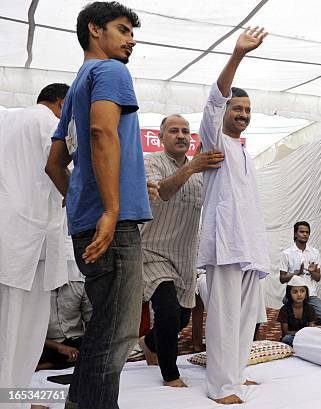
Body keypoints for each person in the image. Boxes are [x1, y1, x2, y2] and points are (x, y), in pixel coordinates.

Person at [45, 3, 152, 408]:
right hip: (114, 224)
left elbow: (55, 165)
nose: (131, 40)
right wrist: (109, 209)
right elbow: (101, 131)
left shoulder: (75, 87)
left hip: (89, 222)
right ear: (95, 30)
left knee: (103, 332)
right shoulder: (111, 71)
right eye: (123, 30)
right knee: (116, 337)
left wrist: (83, 202)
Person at [195, 26, 269, 405]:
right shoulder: (214, 141)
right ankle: (221, 386)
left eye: (248, 111)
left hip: (248, 245)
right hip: (224, 244)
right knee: (223, 320)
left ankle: (236, 375)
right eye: (237, 108)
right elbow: (212, 102)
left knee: (244, 320)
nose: (243, 114)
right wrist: (238, 55)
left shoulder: (243, 152)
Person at [138, 115, 224, 386]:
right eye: (173, 131)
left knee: (183, 317)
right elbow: (162, 192)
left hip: (186, 255)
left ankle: (150, 342)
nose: (181, 135)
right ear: (161, 137)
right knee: (168, 311)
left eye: (186, 131)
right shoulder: (151, 161)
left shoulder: (201, 174)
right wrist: (191, 168)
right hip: (153, 251)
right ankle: (170, 374)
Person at [0, 83, 69, 396]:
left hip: (11, 235)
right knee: (21, 332)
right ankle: (10, 399)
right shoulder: (49, 122)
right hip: (28, 241)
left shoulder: (7, 118)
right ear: (61, 102)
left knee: (9, 327)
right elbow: (58, 167)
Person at [38, 275, 92, 370]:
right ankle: (48, 364)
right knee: (26, 354)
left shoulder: (79, 285)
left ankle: (41, 367)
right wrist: (60, 347)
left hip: (74, 342)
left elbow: (90, 321)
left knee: (86, 350)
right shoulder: (36, 292)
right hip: (45, 344)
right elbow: (30, 334)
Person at [280, 221, 321, 324]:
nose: (305, 234)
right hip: (293, 294)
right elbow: (282, 279)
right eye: (302, 231)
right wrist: (296, 273)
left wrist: (312, 272)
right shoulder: (286, 253)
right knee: (287, 302)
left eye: (307, 232)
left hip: (310, 294)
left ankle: (304, 317)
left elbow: (318, 278)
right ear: (295, 234)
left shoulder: (315, 252)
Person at [277, 276, 315, 346]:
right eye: (295, 292)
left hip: (305, 337)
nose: (299, 294)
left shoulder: (310, 308)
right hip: (291, 338)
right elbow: (285, 332)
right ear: (289, 294)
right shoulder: (284, 309)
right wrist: (300, 333)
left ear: (306, 294)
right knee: (286, 339)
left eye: (302, 291)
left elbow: (311, 330)